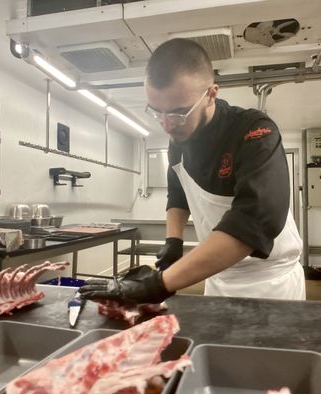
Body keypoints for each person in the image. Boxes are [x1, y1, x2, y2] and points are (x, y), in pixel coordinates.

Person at [79, 38, 305, 305]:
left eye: (178, 113)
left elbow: (253, 222)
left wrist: (159, 284)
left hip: (270, 281)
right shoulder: (178, 142)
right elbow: (178, 195)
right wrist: (172, 241)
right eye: (156, 112)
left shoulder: (254, 131)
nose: (166, 125)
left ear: (211, 94)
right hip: (218, 275)